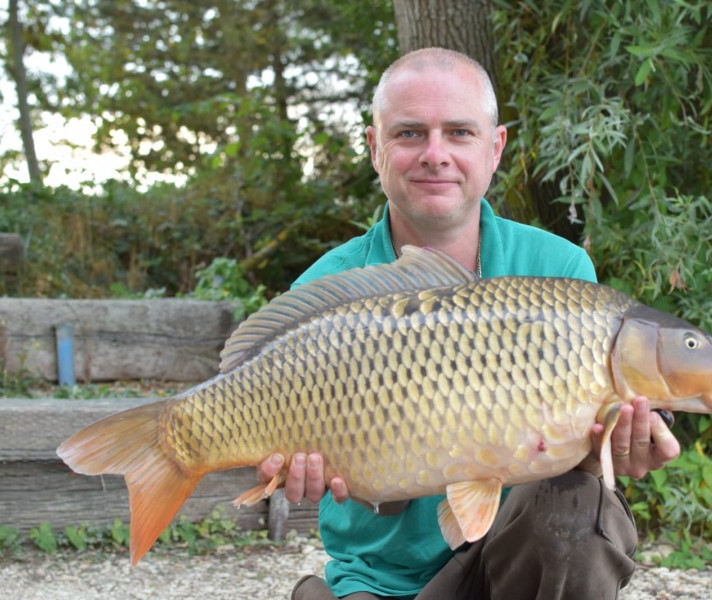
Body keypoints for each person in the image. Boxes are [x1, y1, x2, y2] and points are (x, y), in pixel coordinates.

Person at [257, 47, 681, 599]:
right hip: (385, 581)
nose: (436, 155)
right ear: (373, 147)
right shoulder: (325, 291)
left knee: (580, 499)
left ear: (495, 146)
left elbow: (575, 459)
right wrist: (337, 474)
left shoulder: (559, 272)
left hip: (515, 570)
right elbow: (366, 497)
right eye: (410, 133)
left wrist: (618, 449)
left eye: (459, 132)